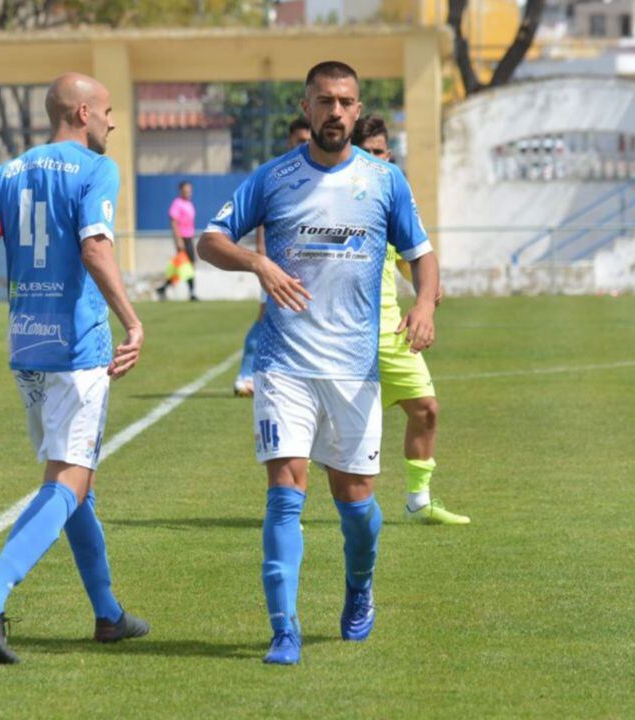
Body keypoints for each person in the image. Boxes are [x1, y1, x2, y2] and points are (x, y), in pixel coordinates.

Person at [198, 61, 439, 665]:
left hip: (353, 368)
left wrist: (426, 304)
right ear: (306, 108)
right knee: (285, 492)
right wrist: (258, 264)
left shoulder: (385, 181)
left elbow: (422, 254)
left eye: (346, 101)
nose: (335, 112)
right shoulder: (272, 178)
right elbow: (210, 240)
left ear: (358, 111)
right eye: (324, 101)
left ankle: (359, 587)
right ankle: (285, 630)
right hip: (284, 365)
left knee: (356, 507)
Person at [0, 72, 149, 665]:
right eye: (107, 111)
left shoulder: (6, 174)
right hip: (77, 352)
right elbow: (96, 247)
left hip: (26, 350)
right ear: (80, 112)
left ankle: (107, 614)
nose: (112, 122)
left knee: (77, 485)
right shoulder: (98, 170)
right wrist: (133, 320)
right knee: (68, 480)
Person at [352, 115, 469, 526]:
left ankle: (418, 500)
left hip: (388, 329)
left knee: (426, 409)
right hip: (342, 333)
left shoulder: (391, 192)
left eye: (379, 151)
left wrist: (423, 297)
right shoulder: (335, 195)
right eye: (364, 151)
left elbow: (410, 254)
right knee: (329, 430)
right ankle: (288, 506)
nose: (373, 158)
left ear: (389, 154)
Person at [234, 117, 311, 396]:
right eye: (299, 140)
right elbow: (263, 222)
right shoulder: (278, 173)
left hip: (308, 265)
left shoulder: (317, 172)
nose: (304, 144)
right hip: (276, 267)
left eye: (307, 139)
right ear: (290, 141)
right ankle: (245, 375)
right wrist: (263, 260)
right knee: (266, 317)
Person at [156, 180, 199, 301]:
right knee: (188, 266)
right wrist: (178, 240)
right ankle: (192, 293)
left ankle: (163, 288)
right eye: (186, 191)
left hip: (189, 238)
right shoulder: (177, 203)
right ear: (181, 191)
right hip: (183, 238)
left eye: (190, 191)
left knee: (182, 267)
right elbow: (174, 222)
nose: (188, 193)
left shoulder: (189, 204)